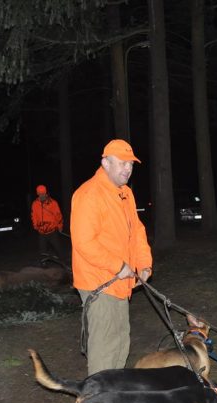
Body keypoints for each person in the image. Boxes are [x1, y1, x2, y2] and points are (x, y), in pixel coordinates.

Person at [70, 139, 153, 375]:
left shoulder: (125, 194)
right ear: (105, 163)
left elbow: (136, 231)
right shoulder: (89, 194)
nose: (127, 168)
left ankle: (113, 398)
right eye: (122, 163)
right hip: (100, 282)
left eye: (131, 164)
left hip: (121, 282)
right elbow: (84, 242)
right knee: (104, 349)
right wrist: (118, 266)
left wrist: (144, 264)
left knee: (120, 343)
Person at [30, 184, 64, 260]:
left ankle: (63, 261)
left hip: (52, 231)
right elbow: (33, 215)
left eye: (43, 194)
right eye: (40, 194)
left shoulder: (53, 203)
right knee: (42, 250)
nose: (41, 196)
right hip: (41, 232)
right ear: (37, 194)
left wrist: (60, 226)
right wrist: (35, 225)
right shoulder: (35, 204)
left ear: (46, 193)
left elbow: (58, 215)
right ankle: (44, 263)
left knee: (58, 248)